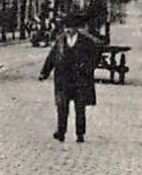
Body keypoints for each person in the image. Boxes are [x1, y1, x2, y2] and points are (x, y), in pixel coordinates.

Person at [39, 14, 100, 143]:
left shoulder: (86, 41)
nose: (67, 30)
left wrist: (88, 68)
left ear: (76, 29)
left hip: (80, 79)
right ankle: (61, 132)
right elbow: (51, 57)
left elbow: (95, 57)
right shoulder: (60, 40)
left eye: (70, 28)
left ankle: (80, 134)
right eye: (66, 27)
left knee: (80, 108)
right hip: (63, 79)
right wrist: (44, 73)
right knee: (62, 107)